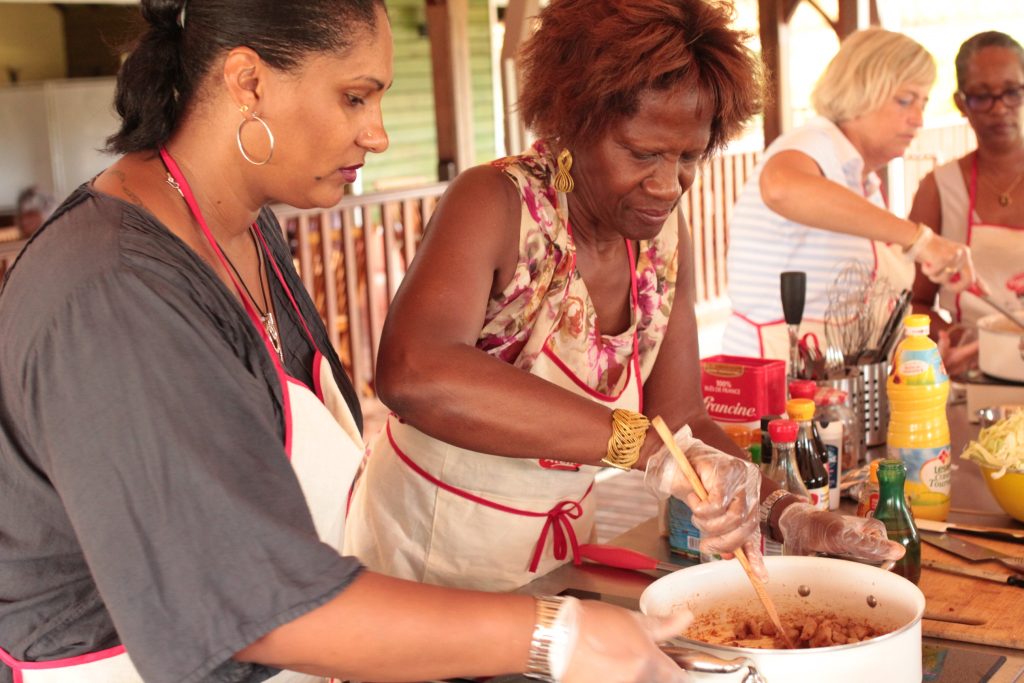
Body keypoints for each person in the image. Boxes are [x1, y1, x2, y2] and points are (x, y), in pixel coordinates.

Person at [0, 2, 697, 682]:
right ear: (248, 82)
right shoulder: (112, 292)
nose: (378, 134)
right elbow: (251, 605)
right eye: (355, 98)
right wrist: (554, 634)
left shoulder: (245, 231)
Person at [344, 0, 904, 593]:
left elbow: (681, 418)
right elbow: (415, 372)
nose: (667, 185)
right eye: (642, 154)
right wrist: (639, 446)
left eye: (688, 157)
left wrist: (788, 513)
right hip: (425, 551)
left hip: (557, 558)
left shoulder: (662, 240)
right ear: (571, 123)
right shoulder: (496, 203)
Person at [723, 28, 979, 362]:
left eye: (923, 103)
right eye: (905, 100)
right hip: (774, 379)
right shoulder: (813, 142)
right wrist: (920, 240)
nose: (918, 119)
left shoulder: (864, 182)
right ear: (860, 92)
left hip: (836, 381)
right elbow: (781, 188)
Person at [909, 31, 1024, 376]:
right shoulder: (940, 187)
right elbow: (914, 302)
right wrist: (955, 339)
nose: (1000, 107)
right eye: (982, 97)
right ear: (961, 103)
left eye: (1012, 92)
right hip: (973, 376)